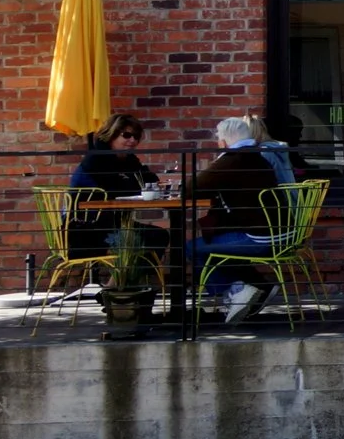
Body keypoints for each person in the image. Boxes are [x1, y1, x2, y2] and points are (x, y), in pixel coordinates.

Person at [183, 116, 291, 323]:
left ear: (223, 141)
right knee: (214, 245)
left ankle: (233, 292)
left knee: (192, 248)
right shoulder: (258, 156)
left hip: (260, 238)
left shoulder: (232, 159)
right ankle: (260, 287)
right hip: (282, 232)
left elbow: (189, 189)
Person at [66, 113, 159, 260]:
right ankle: (123, 280)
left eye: (136, 136)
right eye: (127, 135)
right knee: (151, 237)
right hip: (86, 230)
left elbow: (150, 179)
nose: (132, 140)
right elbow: (115, 189)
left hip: (110, 223)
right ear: (112, 135)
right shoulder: (97, 158)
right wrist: (130, 182)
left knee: (158, 235)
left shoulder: (126, 158)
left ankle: (123, 280)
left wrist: (130, 182)